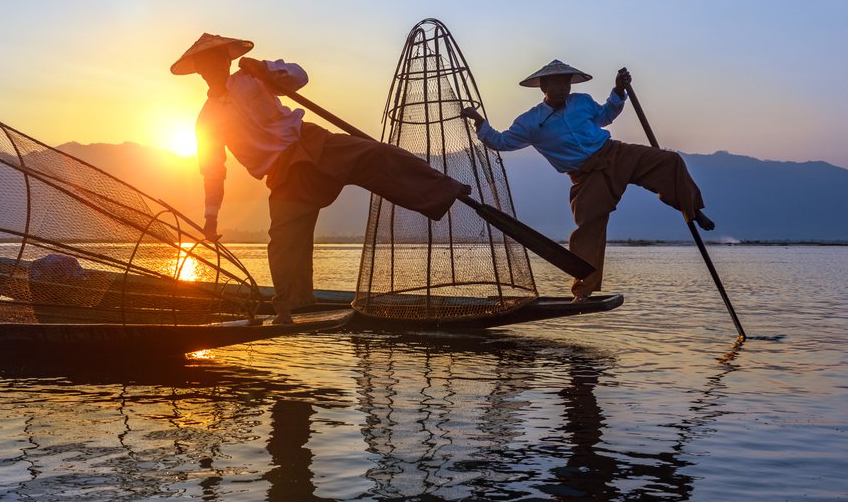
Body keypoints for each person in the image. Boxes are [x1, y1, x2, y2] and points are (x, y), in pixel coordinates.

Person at [171, 33, 471, 323]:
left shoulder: (252, 79)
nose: (213, 67)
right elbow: (212, 172)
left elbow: (299, 77)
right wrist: (211, 220)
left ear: (227, 60)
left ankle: (446, 189)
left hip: (313, 143)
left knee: (380, 156)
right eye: (206, 64)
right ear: (199, 70)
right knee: (283, 243)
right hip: (284, 173)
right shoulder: (207, 119)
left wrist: (264, 68)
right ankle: (293, 306)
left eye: (218, 60)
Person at [461, 60, 714, 300]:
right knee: (587, 230)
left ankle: (692, 209)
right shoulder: (531, 122)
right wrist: (479, 120)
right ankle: (583, 291)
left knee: (670, 162)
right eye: (556, 84)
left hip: (615, 153)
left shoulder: (582, 102)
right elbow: (502, 142)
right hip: (586, 176)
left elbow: (606, 114)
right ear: (544, 87)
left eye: (566, 83)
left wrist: (618, 89)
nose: (562, 88)